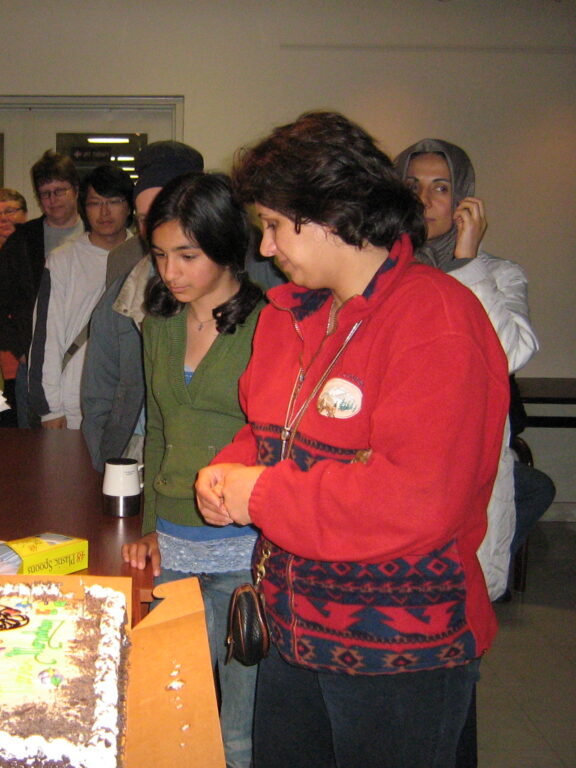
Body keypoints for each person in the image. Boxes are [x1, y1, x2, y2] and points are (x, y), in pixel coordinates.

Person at [195, 111, 509, 768]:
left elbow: (414, 500)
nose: (267, 248)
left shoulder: (436, 318)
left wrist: (263, 496)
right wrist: (227, 472)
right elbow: (264, 434)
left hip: (400, 655)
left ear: (334, 213)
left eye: (277, 227)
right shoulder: (288, 316)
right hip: (295, 631)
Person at [395, 138, 553, 768]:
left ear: (465, 201)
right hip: (401, 488)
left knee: (457, 659)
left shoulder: (499, 274)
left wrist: (465, 263)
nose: (428, 200)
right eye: (415, 186)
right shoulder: (383, 273)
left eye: (442, 187)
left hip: (467, 491)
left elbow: (506, 354)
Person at [122, 172, 265, 768]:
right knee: (179, 706)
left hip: (244, 544)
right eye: (159, 256)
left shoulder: (268, 325)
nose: (170, 272)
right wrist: (152, 523)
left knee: (237, 723)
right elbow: (156, 427)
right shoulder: (159, 325)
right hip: (176, 542)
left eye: (187, 255)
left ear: (227, 245)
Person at [81, 141, 205, 471]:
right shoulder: (126, 285)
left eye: (165, 215)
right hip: (135, 452)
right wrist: (106, 456)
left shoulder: (243, 285)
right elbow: (99, 391)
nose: (155, 231)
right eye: (145, 218)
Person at [0, 151, 83, 426]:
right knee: (37, 447)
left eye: (59, 191)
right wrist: (20, 347)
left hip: (85, 360)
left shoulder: (94, 234)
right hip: (36, 364)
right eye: (45, 194)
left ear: (75, 190)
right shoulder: (23, 241)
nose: (53, 200)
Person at [29, 164, 134, 430]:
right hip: (76, 403)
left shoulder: (148, 256)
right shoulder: (63, 260)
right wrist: (50, 409)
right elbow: (46, 335)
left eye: (114, 202)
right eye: (95, 203)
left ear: (129, 206)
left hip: (134, 405)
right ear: (84, 208)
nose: (105, 212)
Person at [0, 188, 29, 426]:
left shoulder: (35, 257)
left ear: (25, 214)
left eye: (10, 211)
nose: (3, 218)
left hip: (20, 363)